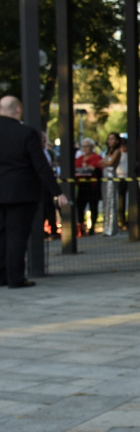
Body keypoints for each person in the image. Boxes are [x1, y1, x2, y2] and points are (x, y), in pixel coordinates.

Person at [0, 96, 68, 288]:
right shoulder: (26, 133)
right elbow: (41, 165)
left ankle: (2, 275)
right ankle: (16, 277)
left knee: (1, 235)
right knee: (17, 236)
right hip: (21, 193)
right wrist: (57, 192)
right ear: (18, 110)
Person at [74, 138, 103, 235]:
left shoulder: (97, 158)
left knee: (93, 207)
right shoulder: (79, 159)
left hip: (93, 186)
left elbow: (99, 170)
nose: (85, 148)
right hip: (82, 186)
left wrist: (90, 168)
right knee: (80, 207)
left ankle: (92, 227)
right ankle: (81, 226)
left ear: (92, 147)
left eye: (87, 146)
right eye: (84, 146)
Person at [100, 133, 123, 236]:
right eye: (109, 139)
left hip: (111, 178)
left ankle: (111, 228)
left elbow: (110, 163)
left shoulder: (117, 151)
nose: (110, 141)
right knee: (106, 202)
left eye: (112, 139)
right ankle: (106, 227)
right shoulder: (108, 151)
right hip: (105, 178)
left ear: (117, 141)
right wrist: (105, 162)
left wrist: (104, 162)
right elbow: (101, 163)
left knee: (112, 201)